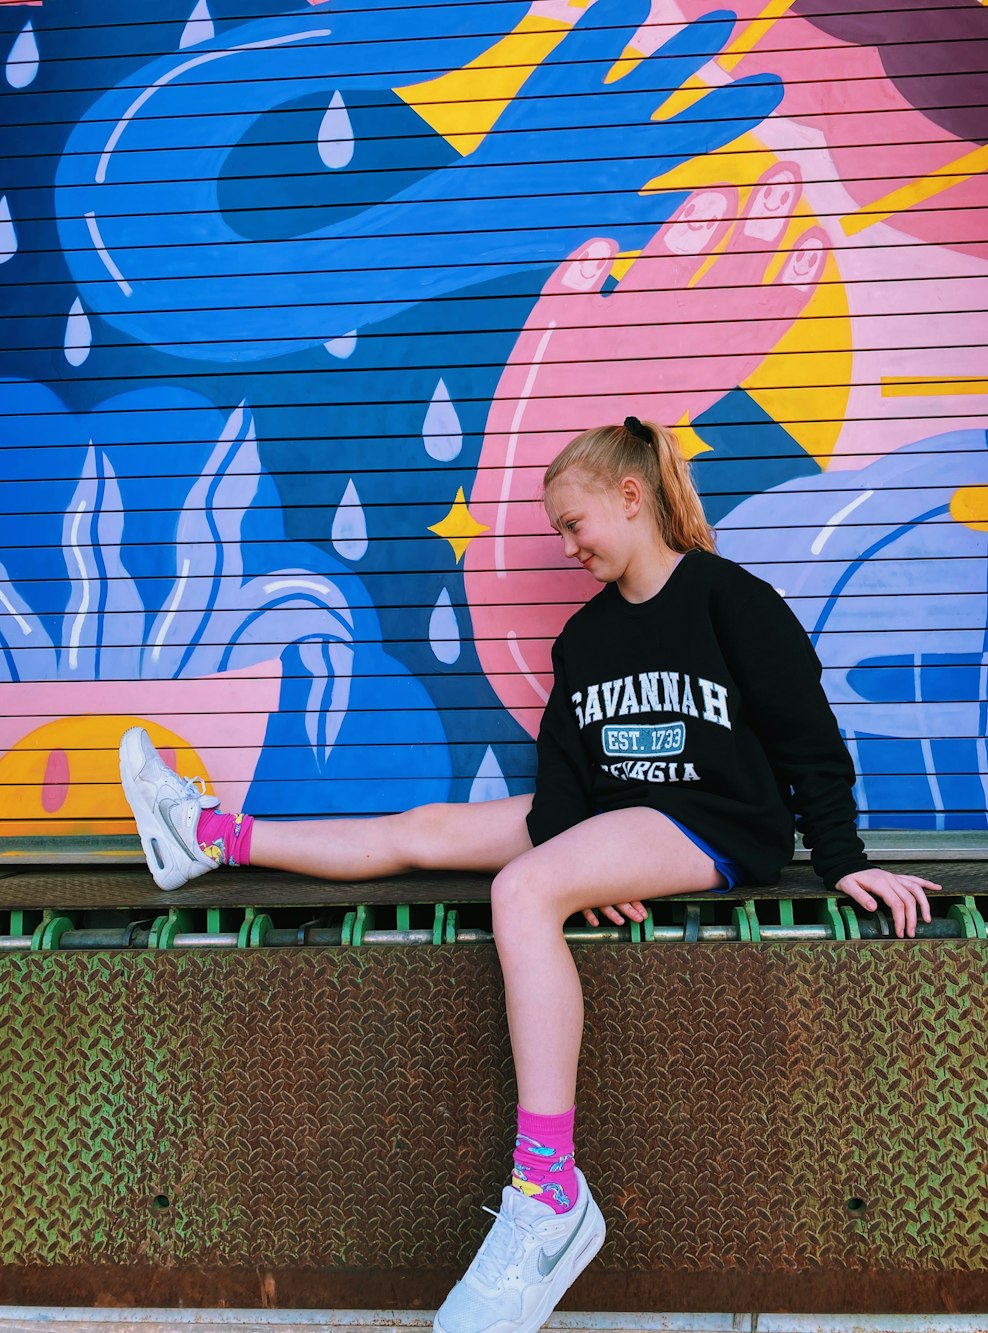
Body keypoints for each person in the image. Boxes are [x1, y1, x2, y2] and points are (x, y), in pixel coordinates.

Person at [119, 416, 941, 1333]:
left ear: (633, 499)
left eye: (573, 522)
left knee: (522, 891)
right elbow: (563, 786)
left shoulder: (730, 601)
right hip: (610, 820)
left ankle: (548, 1192)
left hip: (714, 825)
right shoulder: (585, 640)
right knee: (423, 829)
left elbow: (810, 742)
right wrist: (578, 858)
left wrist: (845, 862)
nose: (568, 543)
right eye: (557, 530)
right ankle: (210, 835)